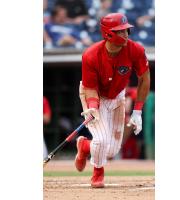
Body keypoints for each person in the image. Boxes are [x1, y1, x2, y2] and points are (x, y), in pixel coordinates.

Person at [75, 13, 150, 188]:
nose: (126, 35)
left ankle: (84, 146)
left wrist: (137, 110)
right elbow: (90, 87)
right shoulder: (91, 55)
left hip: (117, 97)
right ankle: (97, 174)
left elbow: (144, 78)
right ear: (108, 33)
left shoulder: (135, 50)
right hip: (93, 95)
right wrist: (93, 106)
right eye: (120, 32)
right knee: (101, 141)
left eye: (126, 31)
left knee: (112, 150)